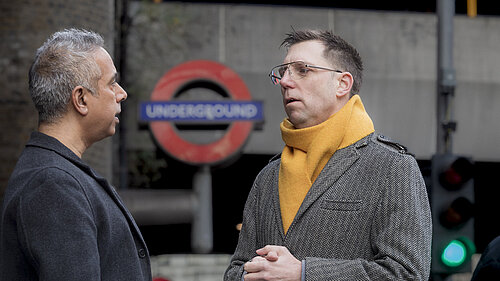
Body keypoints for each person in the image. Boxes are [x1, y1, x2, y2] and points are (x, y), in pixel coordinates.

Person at [224, 29, 432, 280]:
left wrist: (304, 273)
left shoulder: (392, 167)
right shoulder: (268, 176)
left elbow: (406, 274)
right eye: (283, 72)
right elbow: (236, 268)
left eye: (302, 70)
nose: (286, 82)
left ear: (342, 84)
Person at [0, 28, 152, 280]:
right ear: (81, 99)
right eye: (112, 83)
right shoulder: (52, 184)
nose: (121, 93)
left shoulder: (56, 175)